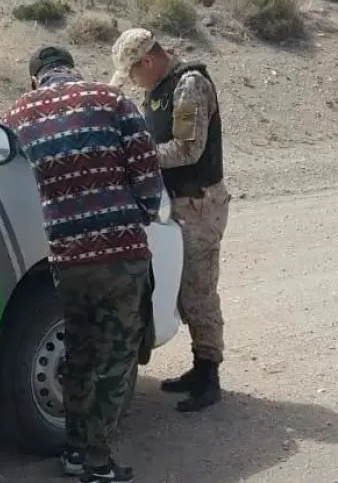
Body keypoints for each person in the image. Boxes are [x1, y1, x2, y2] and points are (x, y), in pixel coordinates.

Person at [0, 46, 164, 483]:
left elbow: (1, 167)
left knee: (79, 354)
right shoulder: (111, 101)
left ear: (36, 80)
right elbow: (147, 173)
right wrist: (139, 213)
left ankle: (74, 451)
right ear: (72, 69)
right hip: (121, 254)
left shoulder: (19, 113)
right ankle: (98, 464)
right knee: (115, 359)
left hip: (68, 257)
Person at [108, 28, 231, 413]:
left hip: (198, 205)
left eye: (133, 73)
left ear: (148, 60)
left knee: (197, 290)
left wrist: (136, 156)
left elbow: (187, 148)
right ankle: (200, 367)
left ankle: (209, 372)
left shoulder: (188, 85)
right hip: (175, 204)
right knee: (180, 290)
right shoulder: (159, 90)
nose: (133, 82)